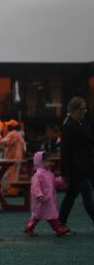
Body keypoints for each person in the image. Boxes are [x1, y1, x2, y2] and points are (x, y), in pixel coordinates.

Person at [59, 97, 94, 230]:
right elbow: (65, 150)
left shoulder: (80, 123)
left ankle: (60, 224)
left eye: (85, 109)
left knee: (70, 196)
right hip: (77, 169)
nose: (84, 111)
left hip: (84, 167)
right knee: (88, 195)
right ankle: (60, 224)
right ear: (73, 110)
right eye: (81, 109)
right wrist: (65, 172)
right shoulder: (69, 126)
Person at [25, 151, 69, 236]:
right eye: (47, 161)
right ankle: (57, 228)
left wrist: (61, 181)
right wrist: (39, 195)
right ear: (40, 161)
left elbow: (53, 182)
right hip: (41, 199)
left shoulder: (49, 172)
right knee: (40, 215)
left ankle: (30, 227)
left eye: (50, 161)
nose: (49, 163)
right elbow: (35, 186)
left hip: (48, 198)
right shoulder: (38, 174)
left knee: (48, 214)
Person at [0, 120, 27, 196]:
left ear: (12, 127)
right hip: (18, 158)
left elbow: (5, 142)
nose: (7, 127)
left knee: (9, 175)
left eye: (9, 125)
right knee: (14, 175)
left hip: (12, 158)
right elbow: (24, 149)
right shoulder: (20, 135)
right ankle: (13, 191)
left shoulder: (13, 134)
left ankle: (11, 191)